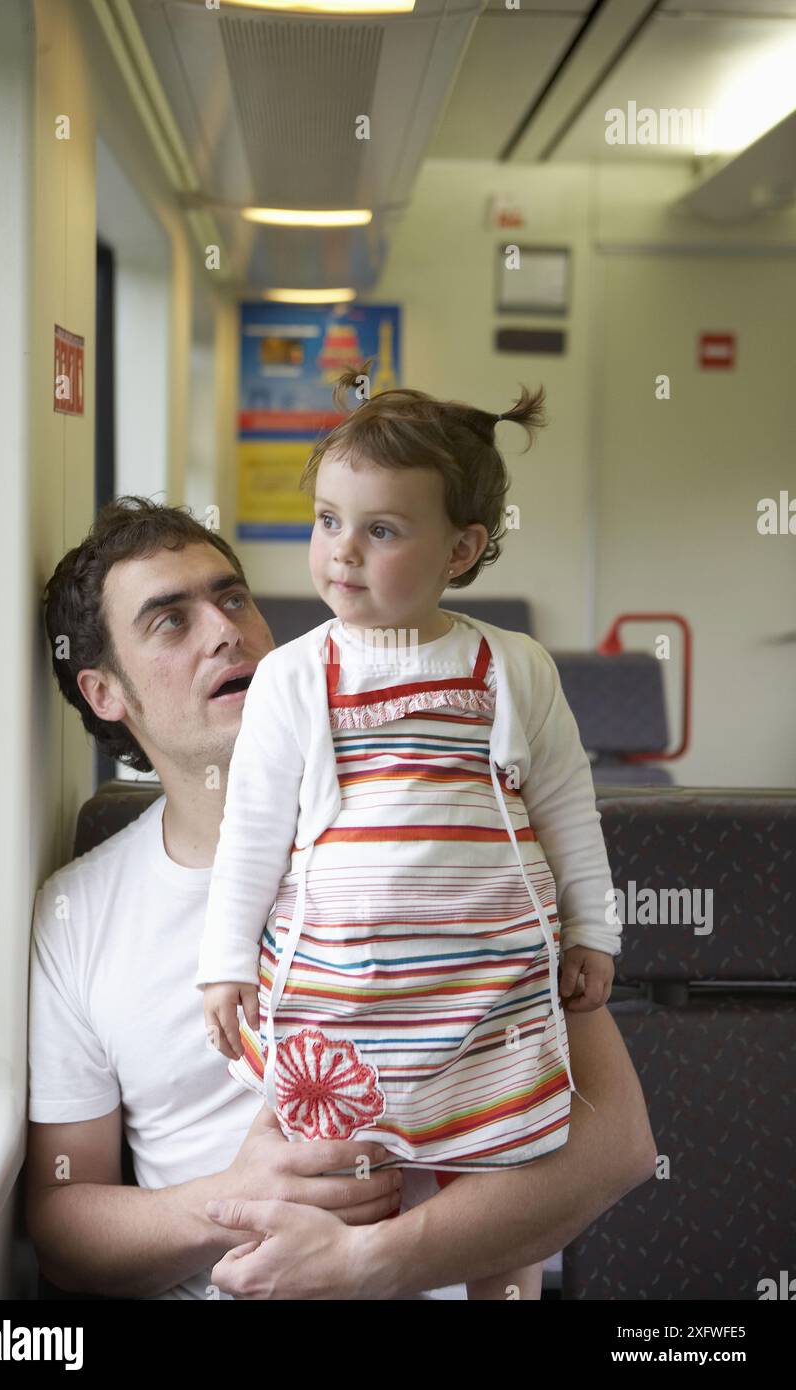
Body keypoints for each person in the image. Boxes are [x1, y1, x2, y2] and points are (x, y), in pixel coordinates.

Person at [25, 495, 656, 1301]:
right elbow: (62, 1223)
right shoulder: (77, 914)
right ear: (104, 692)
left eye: (232, 597)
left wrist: (370, 1263)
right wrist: (226, 1206)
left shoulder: (445, 831)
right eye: (170, 621)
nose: (225, 630)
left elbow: (619, 1143)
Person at [199, 372, 624, 1300]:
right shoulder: (294, 677)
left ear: (461, 549)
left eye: (381, 530)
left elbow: (567, 808)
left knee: (499, 1202)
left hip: (490, 1001)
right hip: (337, 1006)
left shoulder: (509, 669)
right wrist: (224, 957)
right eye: (327, 521)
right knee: (340, 1202)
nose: (342, 552)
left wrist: (595, 930)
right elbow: (254, 834)